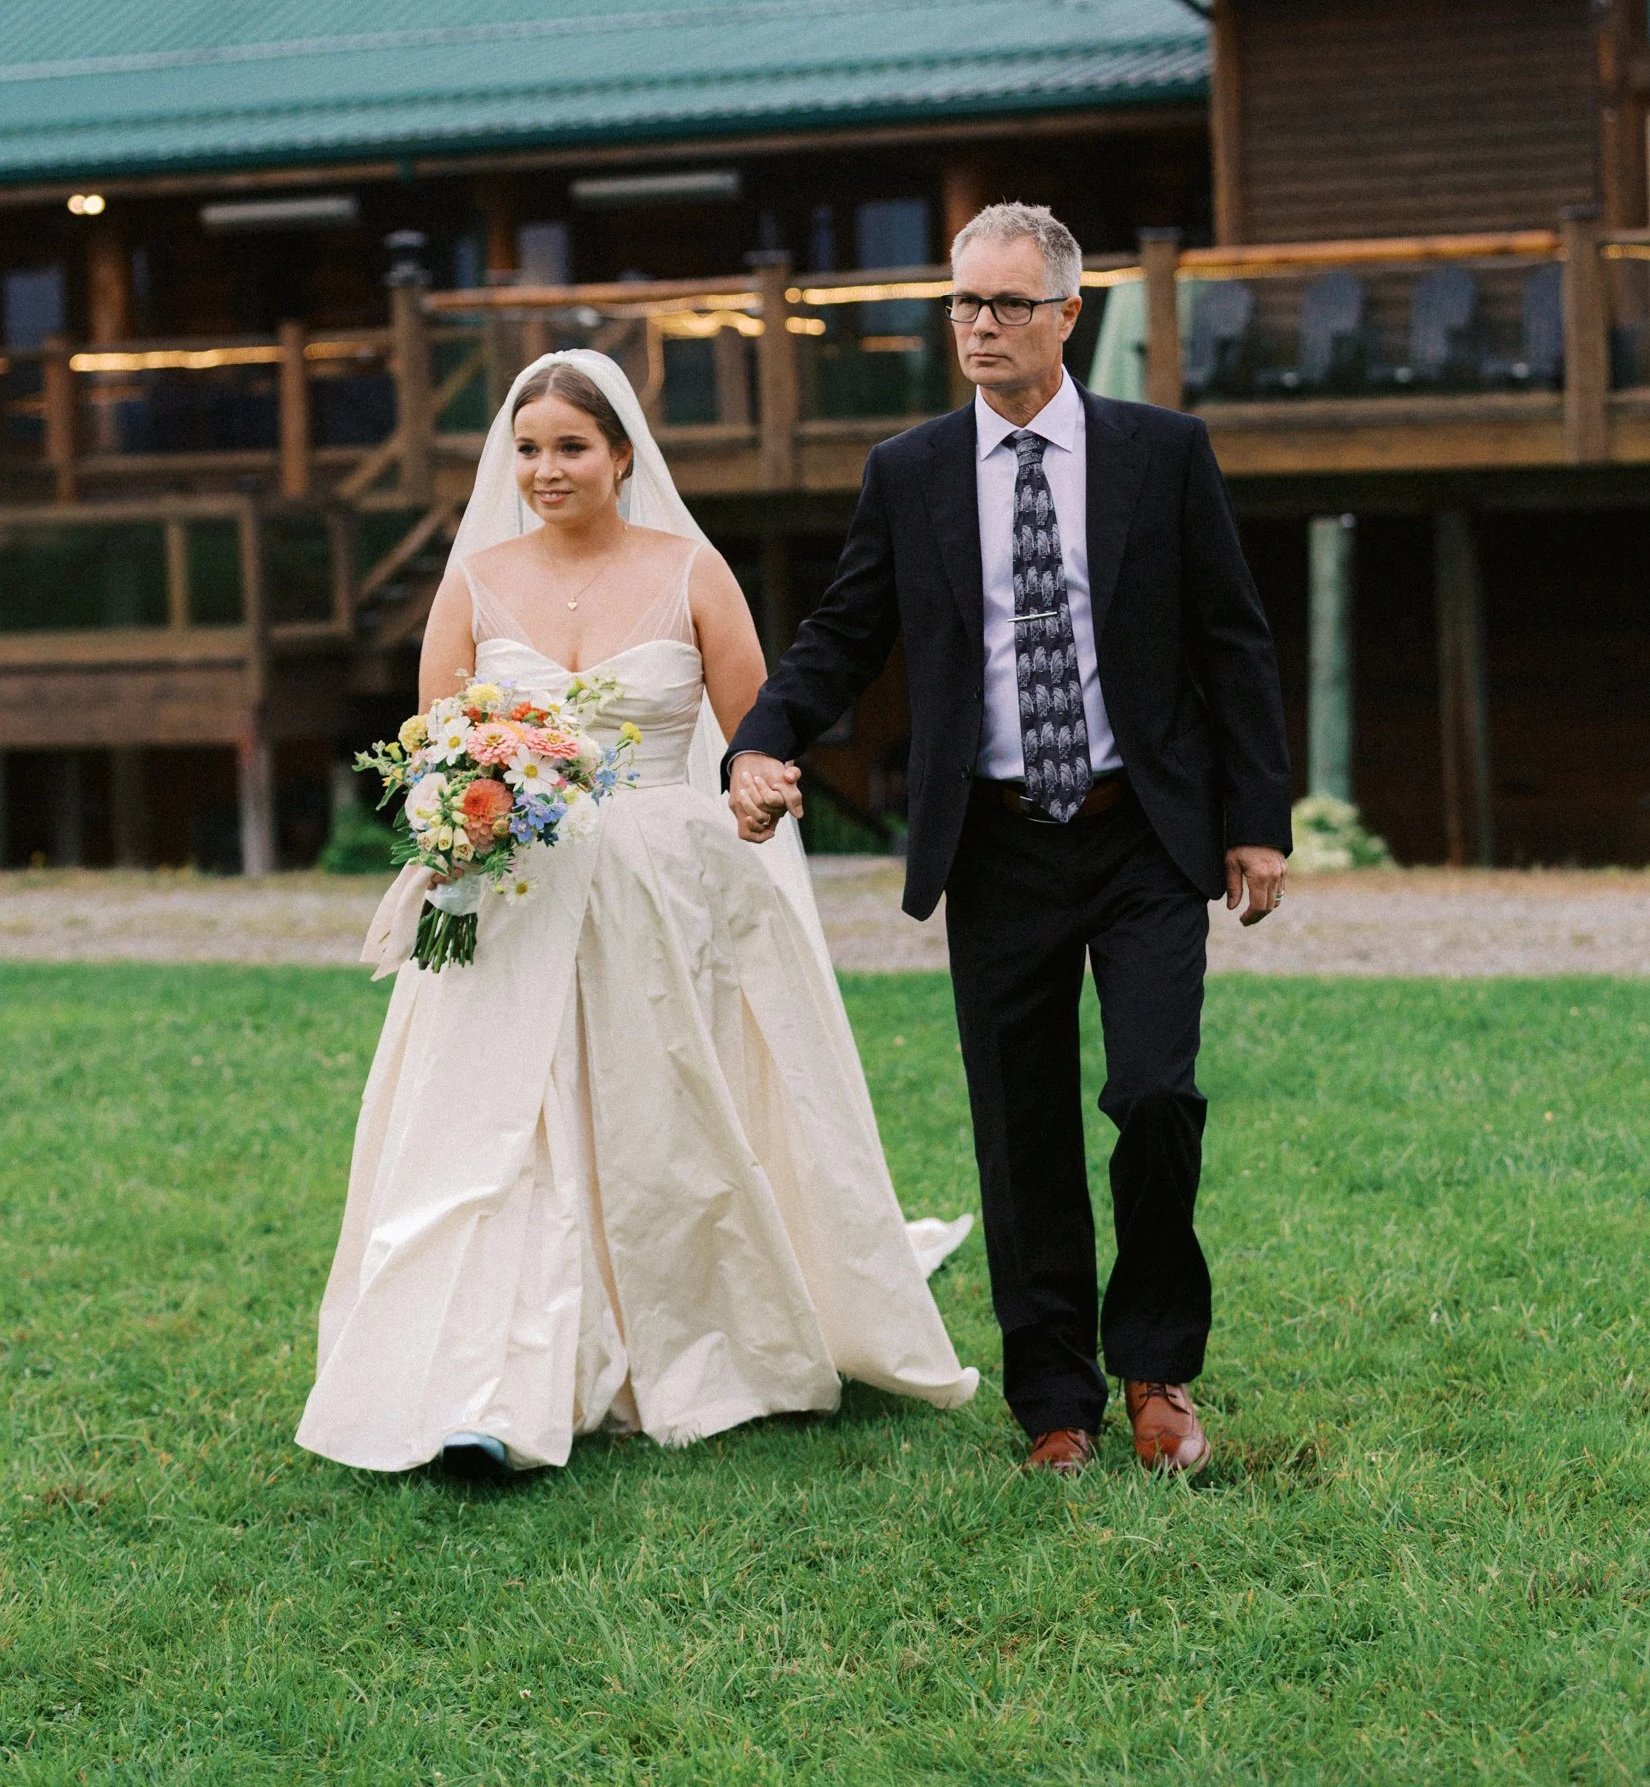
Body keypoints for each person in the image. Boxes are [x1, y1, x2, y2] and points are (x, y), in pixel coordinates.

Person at [297, 350, 977, 1479]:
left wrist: (762, 779)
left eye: (570, 447)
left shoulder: (690, 570)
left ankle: (694, 1337)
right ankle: (490, 1382)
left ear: (622, 454)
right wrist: (461, 810)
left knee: (660, 1116)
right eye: (526, 450)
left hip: (663, 893)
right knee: (505, 1128)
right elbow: (434, 745)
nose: (546, 469)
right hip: (512, 893)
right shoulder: (472, 583)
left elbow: (757, 728)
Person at [727, 203, 1291, 1478]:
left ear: (1066, 315)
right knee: (1020, 1131)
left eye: (1007, 305)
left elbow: (1234, 642)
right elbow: (842, 633)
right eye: (962, 304)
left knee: (1156, 1093)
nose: (979, 327)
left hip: (1140, 829)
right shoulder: (912, 471)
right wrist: (760, 739)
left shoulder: (1163, 454)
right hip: (994, 846)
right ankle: (1057, 1404)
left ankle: (1156, 1369)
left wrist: (1256, 822)